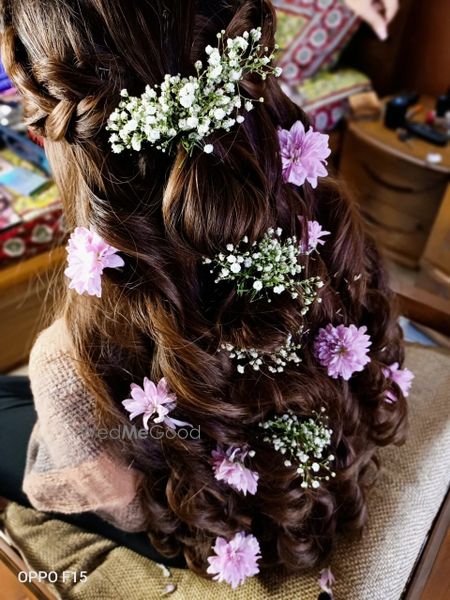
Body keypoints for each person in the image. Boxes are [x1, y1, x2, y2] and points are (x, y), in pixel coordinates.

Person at [0, 0, 411, 589]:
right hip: (253, 454)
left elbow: (122, 500)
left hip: (197, 516)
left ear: (56, 133)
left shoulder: (73, 354)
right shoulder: (318, 220)